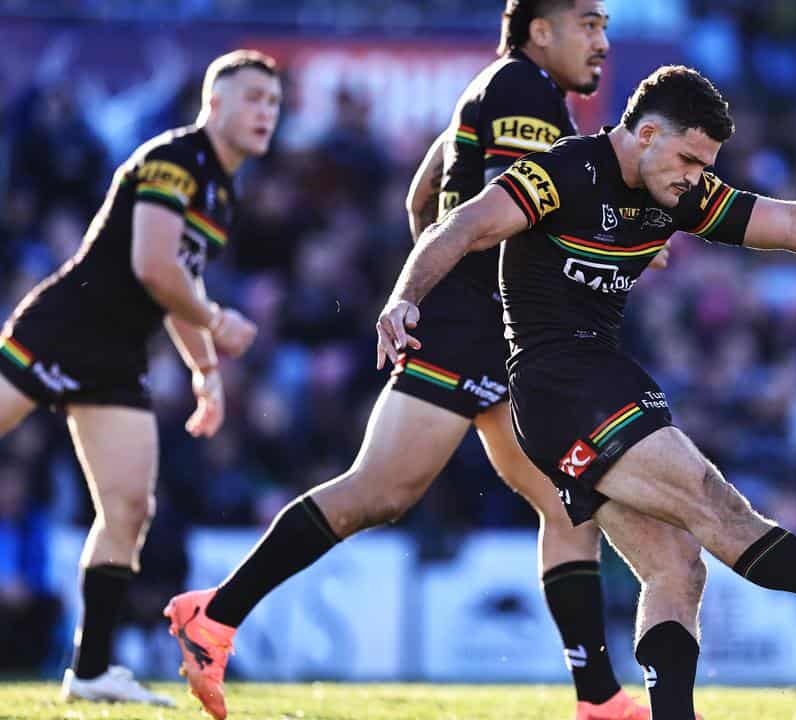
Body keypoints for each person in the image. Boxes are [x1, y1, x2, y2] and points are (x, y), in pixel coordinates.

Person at [365, 64, 796, 719]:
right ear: (644, 133)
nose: (695, 177)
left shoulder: (680, 191)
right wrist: (404, 298)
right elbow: (463, 225)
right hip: (560, 385)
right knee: (716, 506)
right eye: (687, 159)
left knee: (677, 567)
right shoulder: (564, 172)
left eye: (705, 165)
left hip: (599, 380)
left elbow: (791, 226)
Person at [164, 4, 650, 720]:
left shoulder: (508, 89)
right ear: (540, 29)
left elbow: (422, 194)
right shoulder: (521, 88)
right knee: (380, 491)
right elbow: (508, 209)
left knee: (564, 500)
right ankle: (215, 615)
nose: (603, 43)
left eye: (606, 27)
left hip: (490, 326)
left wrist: (445, 271)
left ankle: (599, 699)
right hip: (469, 329)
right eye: (588, 24)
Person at [0, 50, 276, 704]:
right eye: (253, 99)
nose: (267, 112)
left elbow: (178, 282)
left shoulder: (224, 190)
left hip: (117, 355)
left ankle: (91, 669)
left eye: (273, 101)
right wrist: (218, 321)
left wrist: (205, 369)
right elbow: (155, 266)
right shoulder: (173, 160)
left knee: (128, 508)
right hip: (63, 328)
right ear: (213, 105)